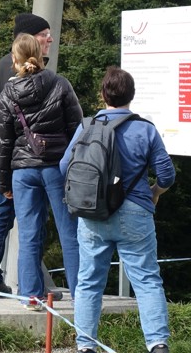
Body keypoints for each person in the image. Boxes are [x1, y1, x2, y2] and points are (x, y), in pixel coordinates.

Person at [61, 67, 175, 353]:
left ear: (103, 95)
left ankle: (85, 346)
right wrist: (154, 193)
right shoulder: (145, 128)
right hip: (136, 211)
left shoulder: (87, 127)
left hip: (93, 214)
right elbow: (167, 174)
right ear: (132, 96)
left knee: (88, 282)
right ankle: (157, 344)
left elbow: (65, 167)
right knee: (147, 280)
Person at [0, 33, 83, 310]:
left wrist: (2, 182)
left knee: (28, 234)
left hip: (23, 171)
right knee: (70, 233)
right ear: (40, 54)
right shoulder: (60, 84)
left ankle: (30, 296)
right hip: (57, 167)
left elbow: (3, 142)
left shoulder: (9, 92)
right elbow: (77, 128)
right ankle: (82, 295)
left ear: (14, 59)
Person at [0, 13, 54, 297]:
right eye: (44, 34)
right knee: (33, 218)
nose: (49, 39)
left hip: (5, 152)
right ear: (29, 37)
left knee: (2, 214)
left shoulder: (0, 66)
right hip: (27, 156)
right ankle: (31, 284)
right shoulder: (27, 70)